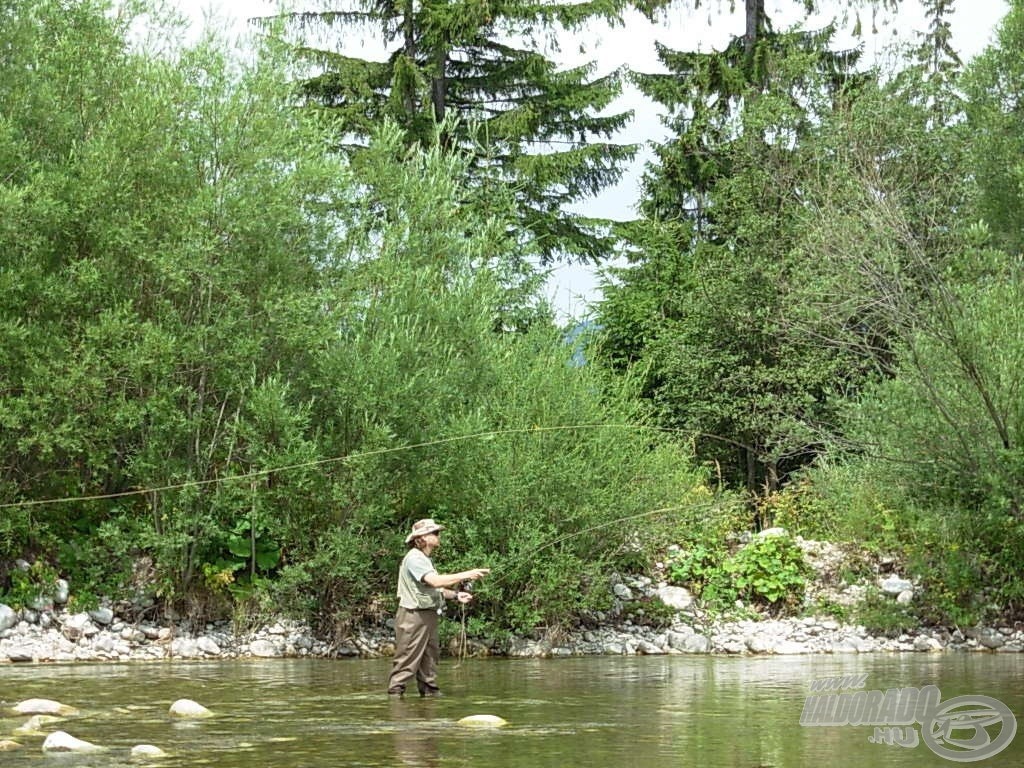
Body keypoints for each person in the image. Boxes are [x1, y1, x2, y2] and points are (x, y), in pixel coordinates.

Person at [386, 518, 490, 697]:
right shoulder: (414, 558)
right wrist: (468, 573)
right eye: (434, 533)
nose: (438, 535)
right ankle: (395, 700)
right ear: (422, 538)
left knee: (429, 660)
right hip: (413, 616)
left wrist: (456, 595)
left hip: (427, 615)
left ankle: (429, 698)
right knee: (407, 659)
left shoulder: (424, 559)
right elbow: (434, 581)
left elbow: (435, 588)